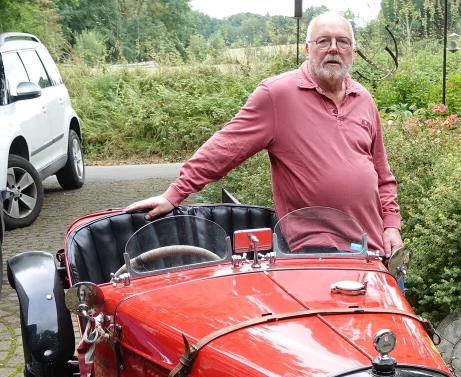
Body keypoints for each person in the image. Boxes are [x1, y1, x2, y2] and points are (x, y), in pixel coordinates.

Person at [125, 12, 402, 255]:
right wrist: (174, 194)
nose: (333, 49)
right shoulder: (277, 95)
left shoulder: (363, 98)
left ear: (352, 50)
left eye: (342, 41)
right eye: (323, 41)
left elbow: (382, 174)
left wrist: (391, 226)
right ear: (307, 49)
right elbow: (225, 148)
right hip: (314, 250)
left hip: (370, 246)